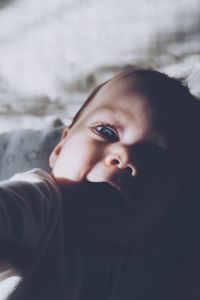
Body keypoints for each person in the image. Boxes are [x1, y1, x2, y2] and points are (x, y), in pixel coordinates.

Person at [1, 69, 200, 299]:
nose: (125, 157)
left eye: (155, 162)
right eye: (106, 131)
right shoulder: (37, 204)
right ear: (60, 148)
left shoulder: (153, 269)